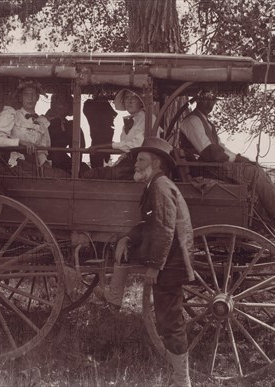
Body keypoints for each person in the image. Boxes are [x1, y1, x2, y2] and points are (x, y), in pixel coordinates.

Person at [99, 137, 194, 387]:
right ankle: (113, 298)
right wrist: (128, 238)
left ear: (157, 163)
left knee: (169, 322)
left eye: (141, 160)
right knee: (168, 320)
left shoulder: (160, 187)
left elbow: (163, 228)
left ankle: (182, 381)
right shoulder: (156, 185)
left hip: (170, 264)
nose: (135, 164)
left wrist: (154, 265)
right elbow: (150, 225)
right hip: (169, 260)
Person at [179, 96, 275, 228]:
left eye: (213, 99)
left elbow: (221, 148)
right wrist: (238, 160)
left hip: (214, 167)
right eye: (206, 99)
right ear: (198, 100)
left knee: (255, 169)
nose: (210, 103)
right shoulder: (192, 121)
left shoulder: (205, 122)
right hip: (208, 169)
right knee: (252, 172)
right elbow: (210, 152)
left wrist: (240, 158)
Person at [0, 80, 67, 178]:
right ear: (21, 98)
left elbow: (42, 151)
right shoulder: (11, 115)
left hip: (33, 164)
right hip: (13, 164)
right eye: (26, 95)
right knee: (33, 178)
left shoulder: (42, 122)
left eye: (33, 95)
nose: (30, 98)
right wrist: (20, 142)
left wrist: (45, 164)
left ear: (37, 98)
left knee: (59, 177)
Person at [82, 89, 160, 180]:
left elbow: (135, 146)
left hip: (138, 165)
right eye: (127, 98)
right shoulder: (130, 121)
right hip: (127, 164)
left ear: (141, 101)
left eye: (134, 98)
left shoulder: (148, 118)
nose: (129, 101)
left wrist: (104, 146)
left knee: (92, 174)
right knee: (90, 172)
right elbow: (125, 148)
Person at [45, 91, 88, 174]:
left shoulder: (70, 124)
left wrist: (76, 166)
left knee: (84, 170)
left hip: (63, 160)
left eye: (67, 103)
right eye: (60, 102)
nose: (63, 106)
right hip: (48, 159)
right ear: (53, 104)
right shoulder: (45, 121)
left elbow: (78, 148)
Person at [83, 96, 116, 168]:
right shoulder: (91, 108)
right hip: (98, 147)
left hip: (101, 146)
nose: (113, 119)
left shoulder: (104, 126)